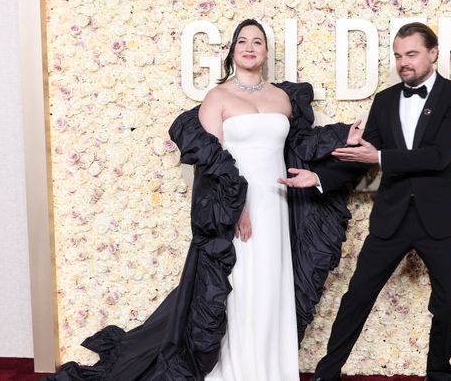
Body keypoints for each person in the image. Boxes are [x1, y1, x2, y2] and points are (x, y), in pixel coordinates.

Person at [45, 19, 362, 381]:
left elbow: (302, 144)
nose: (250, 46)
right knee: (238, 287)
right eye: (243, 40)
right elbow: (211, 163)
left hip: (277, 206)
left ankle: (269, 370)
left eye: (257, 41)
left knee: (271, 288)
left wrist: (343, 136)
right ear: (232, 50)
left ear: (266, 52)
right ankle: (236, 371)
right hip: (236, 205)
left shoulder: (282, 97)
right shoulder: (218, 97)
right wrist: (234, 208)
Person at [287, 22, 451, 381]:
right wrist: (320, 178)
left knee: (449, 304)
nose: (404, 62)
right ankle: (327, 374)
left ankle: (438, 374)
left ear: (433, 54)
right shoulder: (386, 100)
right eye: (398, 56)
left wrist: (380, 158)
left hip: (441, 219)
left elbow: (439, 156)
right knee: (357, 296)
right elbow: (362, 156)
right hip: (392, 217)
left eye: (412, 54)